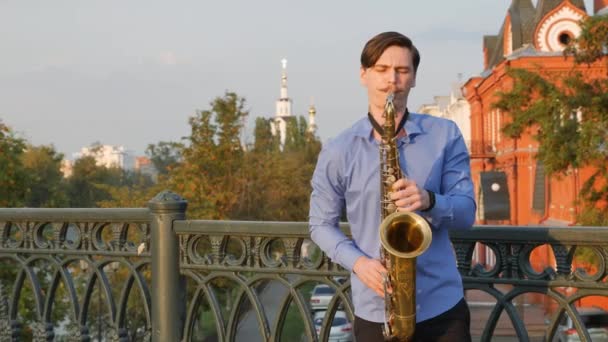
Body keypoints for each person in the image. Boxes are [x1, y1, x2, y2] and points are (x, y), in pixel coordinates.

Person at [308, 31, 476, 341]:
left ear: (413, 78)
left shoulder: (445, 135)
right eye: (382, 70)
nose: (392, 80)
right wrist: (358, 263)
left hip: (443, 309)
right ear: (364, 75)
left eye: (402, 71)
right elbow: (320, 225)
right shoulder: (338, 149)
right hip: (376, 309)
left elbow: (466, 213)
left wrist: (429, 200)